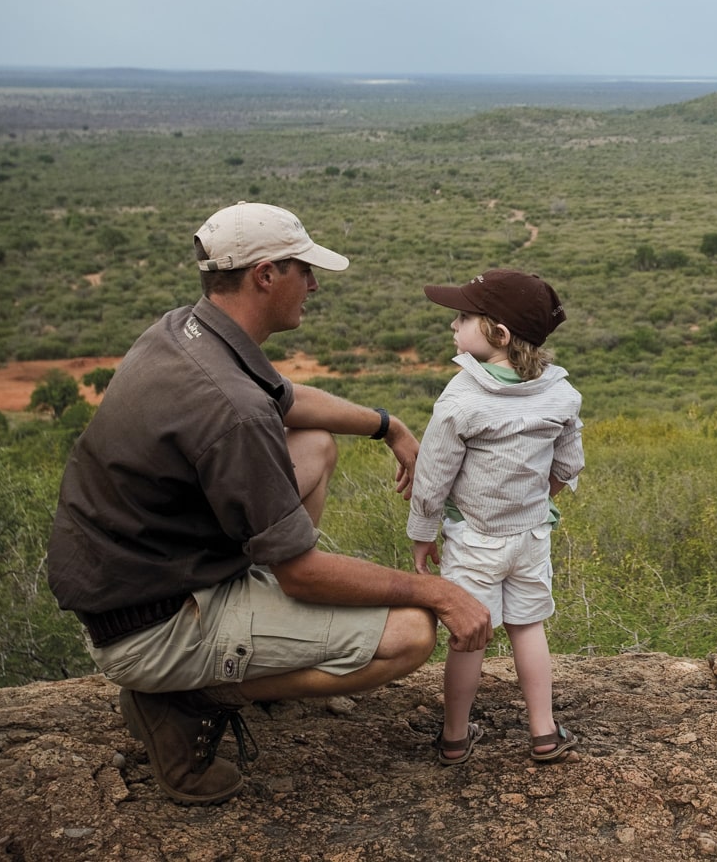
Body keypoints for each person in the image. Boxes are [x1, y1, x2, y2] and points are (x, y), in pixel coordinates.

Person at [46, 201, 493, 806]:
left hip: (137, 578)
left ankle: (224, 651)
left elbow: (286, 400)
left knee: (312, 446)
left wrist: (389, 426)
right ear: (264, 275)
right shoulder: (230, 409)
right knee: (411, 633)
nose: (311, 284)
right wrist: (439, 592)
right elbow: (303, 573)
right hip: (153, 626)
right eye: (302, 270)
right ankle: (185, 698)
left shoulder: (185, 331)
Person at [409, 269, 583, 765]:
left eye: (463, 318)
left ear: (498, 335)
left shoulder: (462, 398)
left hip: (474, 540)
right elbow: (569, 464)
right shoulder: (561, 394)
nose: (454, 325)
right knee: (528, 628)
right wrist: (536, 499)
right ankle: (544, 733)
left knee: (470, 637)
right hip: (531, 536)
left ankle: (455, 738)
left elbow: (433, 476)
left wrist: (422, 534)